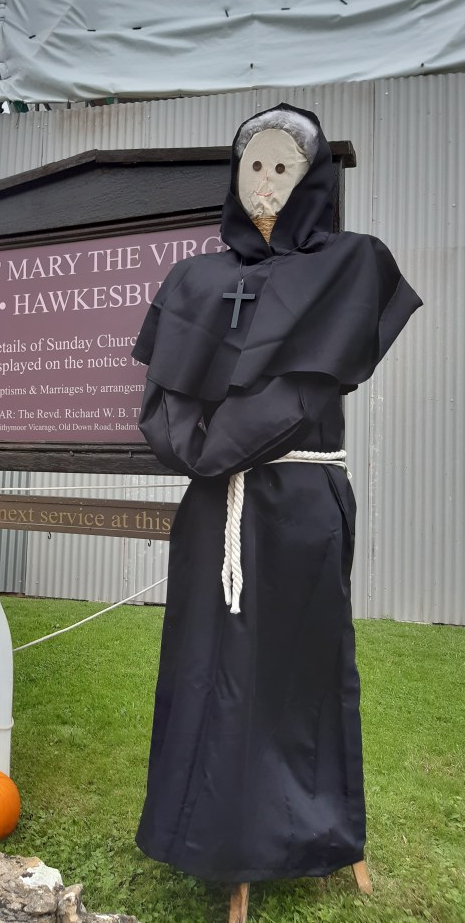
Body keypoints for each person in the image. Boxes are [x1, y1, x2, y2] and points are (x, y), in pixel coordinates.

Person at [132, 104, 422, 883]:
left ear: (312, 179)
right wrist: (201, 452)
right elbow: (160, 403)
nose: (264, 182)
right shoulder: (193, 278)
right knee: (201, 666)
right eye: (252, 164)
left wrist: (210, 447)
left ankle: (296, 834)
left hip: (295, 501)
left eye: (282, 167)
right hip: (211, 505)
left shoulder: (352, 264)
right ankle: (199, 833)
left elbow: (298, 395)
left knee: (295, 669)